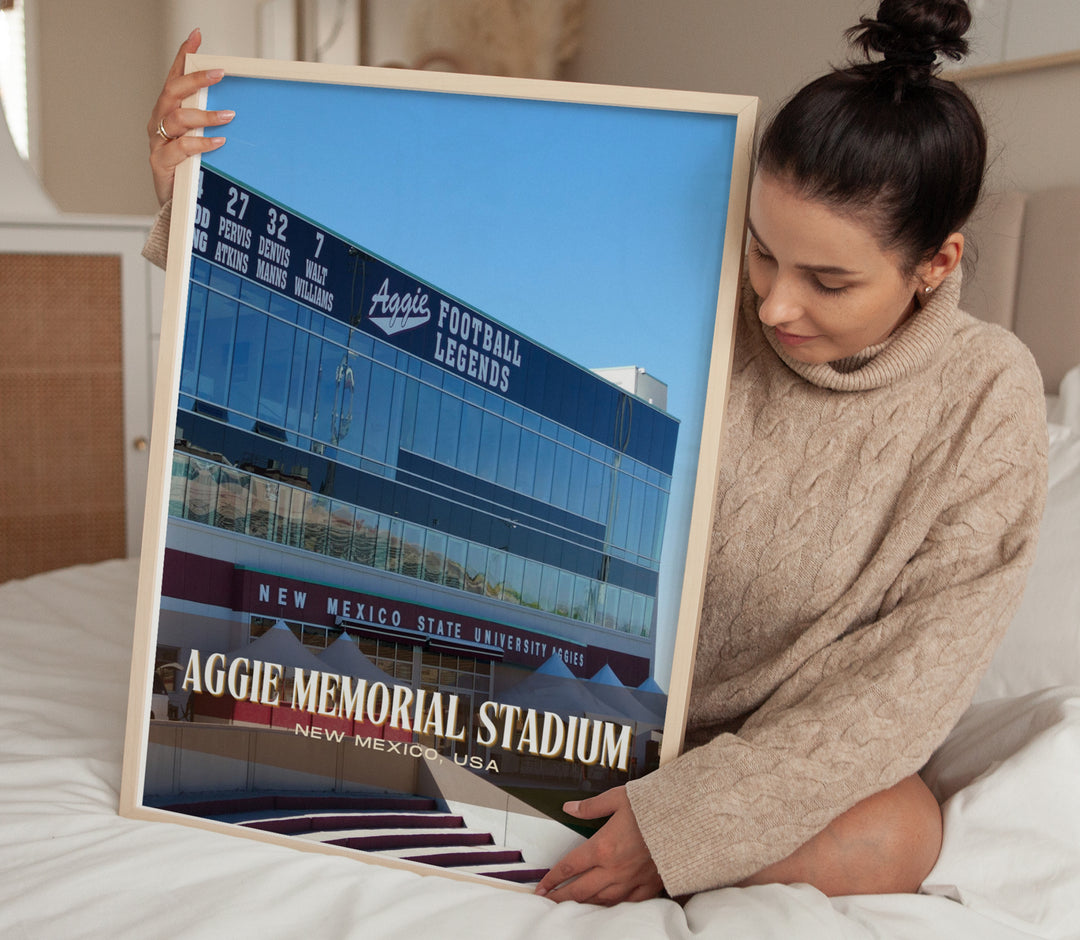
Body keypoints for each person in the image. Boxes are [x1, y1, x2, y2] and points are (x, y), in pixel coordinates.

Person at [145, 0, 1047, 906]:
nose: (774, 305)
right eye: (765, 253)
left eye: (829, 280)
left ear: (936, 263)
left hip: (765, 757)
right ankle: (563, 817)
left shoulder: (985, 397)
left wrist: (690, 823)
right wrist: (193, 204)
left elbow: (908, 687)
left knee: (900, 833)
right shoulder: (699, 297)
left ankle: (605, 841)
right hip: (581, 708)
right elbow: (436, 278)